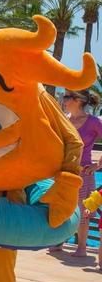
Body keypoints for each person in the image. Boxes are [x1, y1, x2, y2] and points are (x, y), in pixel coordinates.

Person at [53, 90, 102, 258]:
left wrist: (97, 165)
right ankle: (59, 241)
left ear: (78, 100)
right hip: (64, 172)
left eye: (66, 97)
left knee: (82, 211)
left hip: (84, 174)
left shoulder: (94, 122)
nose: (63, 100)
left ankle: (81, 248)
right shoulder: (64, 120)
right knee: (61, 207)